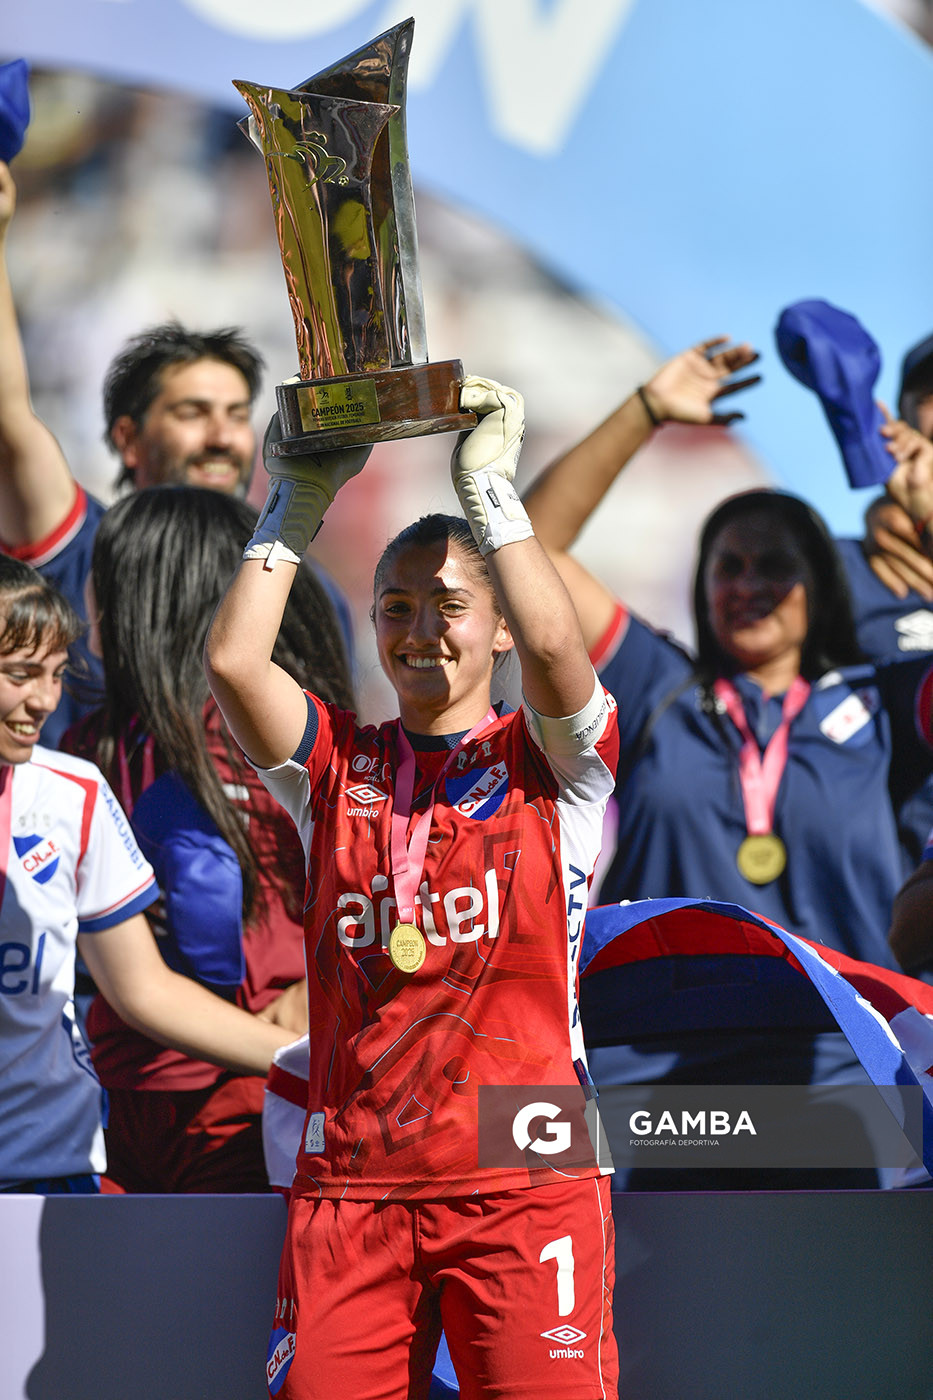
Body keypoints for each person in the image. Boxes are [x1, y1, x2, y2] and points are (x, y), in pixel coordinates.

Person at [205, 378, 620, 1399]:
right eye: (395, 606)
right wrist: (296, 501)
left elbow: (561, 647)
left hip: (526, 1165)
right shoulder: (334, 764)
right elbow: (233, 662)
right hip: (354, 1179)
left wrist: (491, 493)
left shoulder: (553, 765)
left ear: (500, 629)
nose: (420, 628)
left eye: (450, 605)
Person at [0, 160, 352, 745]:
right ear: (128, 439)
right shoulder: (84, 547)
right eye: (192, 413)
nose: (221, 436)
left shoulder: (297, 586)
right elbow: (10, 425)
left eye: (236, 415)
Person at [61, 486, 353, 1192]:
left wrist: (318, 994)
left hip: (251, 1101)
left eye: (102, 575)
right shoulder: (91, 749)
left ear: (145, 594)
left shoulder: (275, 739)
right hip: (127, 1097)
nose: (87, 599)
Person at [0, 553, 298, 1194]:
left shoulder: (73, 791)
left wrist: (312, 1061)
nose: (44, 701)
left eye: (56, 675)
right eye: (20, 674)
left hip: (53, 1163)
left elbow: (143, 989)